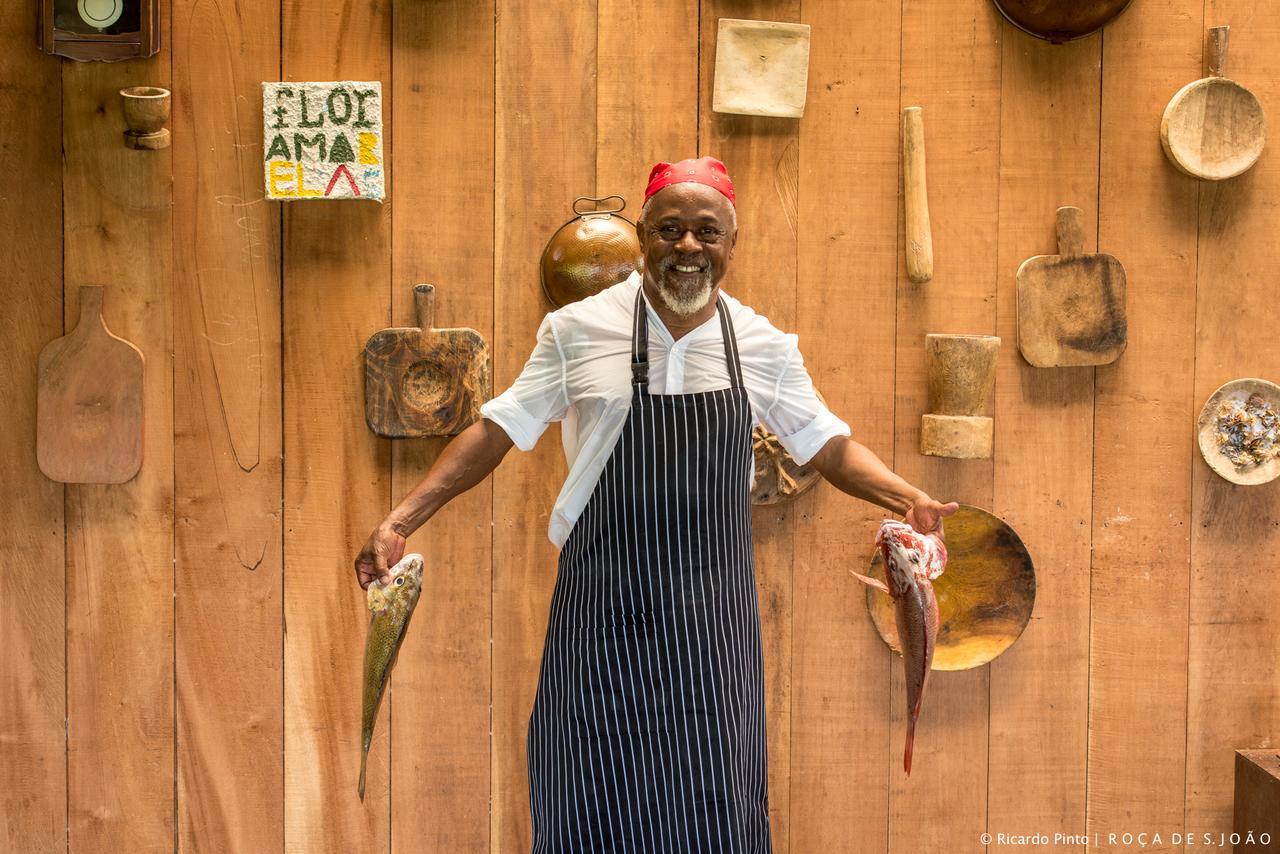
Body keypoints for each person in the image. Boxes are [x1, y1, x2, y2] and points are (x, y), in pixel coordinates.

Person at [354, 156, 958, 852]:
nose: (688, 247)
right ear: (643, 236)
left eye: (708, 231)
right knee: (586, 798)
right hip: (600, 610)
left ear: (733, 243)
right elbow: (497, 431)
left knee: (716, 810)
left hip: (712, 623)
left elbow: (826, 446)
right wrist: (399, 520)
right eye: (669, 229)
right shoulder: (577, 330)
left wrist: (907, 496)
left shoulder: (762, 345)